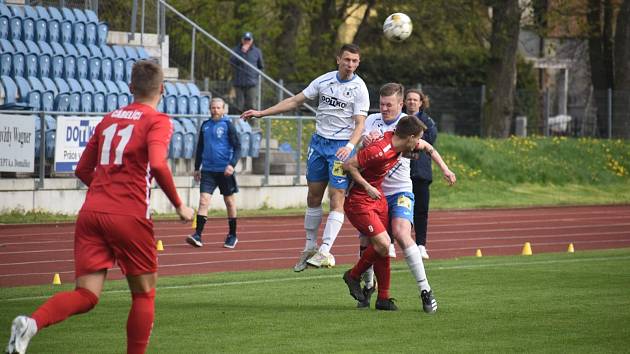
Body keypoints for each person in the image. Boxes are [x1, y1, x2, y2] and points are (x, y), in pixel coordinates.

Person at [5, 60, 194, 354]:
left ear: (131, 88)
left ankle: (32, 324)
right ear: (163, 89)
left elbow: (82, 169)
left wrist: (105, 192)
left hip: (91, 213)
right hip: (129, 215)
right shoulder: (157, 120)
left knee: (86, 294)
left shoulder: (109, 119)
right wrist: (180, 205)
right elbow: (157, 163)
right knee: (144, 295)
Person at [242, 44, 369, 271]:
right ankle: (309, 246)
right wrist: (262, 112)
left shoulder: (359, 88)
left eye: (355, 61)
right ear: (338, 59)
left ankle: (325, 250)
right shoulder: (323, 81)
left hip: (342, 147)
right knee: (313, 196)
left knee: (337, 196)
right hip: (319, 144)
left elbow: (360, 123)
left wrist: (350, 145)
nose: (351, 65)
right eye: (347, 60)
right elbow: (294, 101)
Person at [355, 83, 456, 313]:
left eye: (389, 105)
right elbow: (357, 148)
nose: (384, 109)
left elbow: (427, 146)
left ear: (400, 104)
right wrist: (363, 141)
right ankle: (368, 286)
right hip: (374, 191)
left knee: (401, 233)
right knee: (367, 240)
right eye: (381, 104)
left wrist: (445, 169)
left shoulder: (406, 125)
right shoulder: (371, 121)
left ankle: (425, 290)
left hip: (400, 190)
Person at [186, 97, 242, 249]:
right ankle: (197, 235)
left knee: (229, 202)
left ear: (223, 109)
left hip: (225, 171)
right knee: (203, 201)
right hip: (208, 171)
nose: (215, 110)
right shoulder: (205, 126)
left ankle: (232, 235)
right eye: (213, 107)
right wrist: (197, 168)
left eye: (218, 108)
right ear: (209, 109)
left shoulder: (228, 125)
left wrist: (232, 165)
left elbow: (238, 147)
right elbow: (200, 148)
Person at [405, 89, 437, 260]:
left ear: (421, 102)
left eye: (415, 100)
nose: (411, 102)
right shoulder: (400, 119)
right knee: (398, 209)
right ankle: (391, 243)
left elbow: (429, 141)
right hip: (400, 173)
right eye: (409, 99)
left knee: (421, 210)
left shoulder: (428, 121)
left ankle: (421, 245)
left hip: (421, 172)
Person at [230, 31, 264, 119]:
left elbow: (261, 66)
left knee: (252, 105)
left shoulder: (257, 51)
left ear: (252, 40)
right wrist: (242, 52)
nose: (247, 42)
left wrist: (257, 77)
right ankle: (239, 124)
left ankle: (252, 125)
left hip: (252, 83)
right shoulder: (236, 50)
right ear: (242, 40)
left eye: (248, 40)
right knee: (239, 105)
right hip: (239, 82)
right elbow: (232, 63)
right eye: (245, 39)